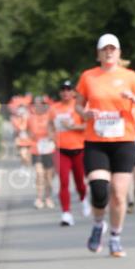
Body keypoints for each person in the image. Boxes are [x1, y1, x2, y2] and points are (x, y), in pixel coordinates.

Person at [75, 33, 135, 257]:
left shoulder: (130, 77)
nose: (109, 52)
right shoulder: (88, 77)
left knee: (118, 193)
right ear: (98, 54)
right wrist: (86, 112)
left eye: (113, 48)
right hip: (96, 141)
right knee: (99, 191)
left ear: (119, 53)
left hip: (124, 140)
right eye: (104, 49)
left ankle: (115, 237)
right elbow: (78, 107)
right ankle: (99, 224)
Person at [48, 79, 90, 226]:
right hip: (61, 150)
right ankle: (66, 213)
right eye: (63, 89)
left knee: (80, 182)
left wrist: (73, 127)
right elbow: (50, 126)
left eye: (68, 89)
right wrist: (52, 137)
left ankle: (84, 199)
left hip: (78, 149)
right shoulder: (54, 108)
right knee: (63, 182)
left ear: (73, 92)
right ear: (60, 92)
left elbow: (87, 125)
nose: (66, 92)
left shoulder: (79, 107)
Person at [28, 95, 55, 209]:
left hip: (48, 148)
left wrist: (51, 136)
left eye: (40, 104)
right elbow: (26, 133)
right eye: (35, 104)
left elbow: (55, 130)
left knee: (48, 176)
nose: (38, 106)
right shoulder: (30, 118)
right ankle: (39, 198)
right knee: (39, 174)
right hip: (36, 148)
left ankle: (48, 198)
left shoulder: (50, 116)